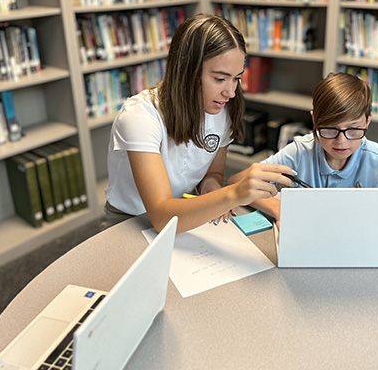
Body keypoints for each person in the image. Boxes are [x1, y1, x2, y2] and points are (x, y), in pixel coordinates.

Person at [102, 13, 295, 232]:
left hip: (186, 212)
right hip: (131, 222)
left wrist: (211, 188)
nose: (231, 92)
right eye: (220, 79)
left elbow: (212, 175)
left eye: (237, 78)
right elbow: (162, 216)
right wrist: (233, 193)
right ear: (186, 71)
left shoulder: (222, 109)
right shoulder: (139, 117)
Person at [227, 72, 378, 226]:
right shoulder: (299, 152)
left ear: (367, 121)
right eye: (330, 129)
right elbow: (236, 182)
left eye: (353, 130)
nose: (341, 142)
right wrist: (279, 210)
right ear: (315, 120)